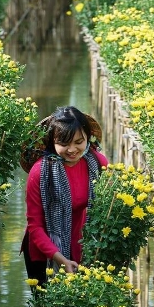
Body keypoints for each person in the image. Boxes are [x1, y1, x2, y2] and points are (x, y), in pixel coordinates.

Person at [21, 105, 108, 284]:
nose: (71, 150)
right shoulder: (40, 172)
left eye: (78, 142)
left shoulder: (98, 164)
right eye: (64, 143)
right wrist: (62, 260)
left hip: (84, 244)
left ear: (87, 138)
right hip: (44, 251)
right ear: (52, 142)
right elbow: (35, 227)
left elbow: (109, 209)